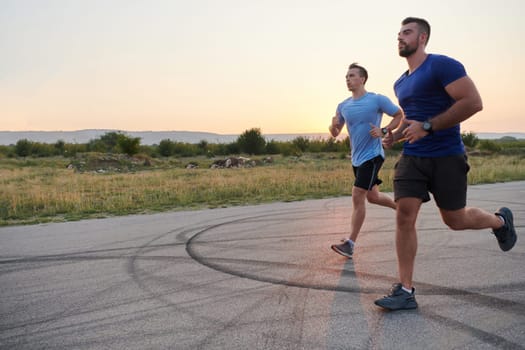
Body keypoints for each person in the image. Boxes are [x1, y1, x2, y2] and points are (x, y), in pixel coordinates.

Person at [374, 17, 517, 311]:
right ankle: (405, 290)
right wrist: (396, 135)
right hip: (413, 158)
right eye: (398, 33)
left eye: (407, 32)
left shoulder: (442, 65)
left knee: (455, 219)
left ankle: (500, 222)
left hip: (447, 155)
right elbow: (411, 115)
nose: (400, 37)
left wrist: (428, 126)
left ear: (422, 37)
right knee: (404, 214)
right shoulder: (401, 82)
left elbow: (473, 102)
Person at [329, 62, 403, 259]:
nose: (348, 79)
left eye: (352, 76)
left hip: (373, 155)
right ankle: (402, 208)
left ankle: (350, 244)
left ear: (362, 79)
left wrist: (385, 130)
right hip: (356, 158)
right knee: (373, 197)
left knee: (357, 194)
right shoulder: (343, 106)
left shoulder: (376, 99)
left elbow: (399, 115)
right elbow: (335, 133)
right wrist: (333, 125)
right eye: (346, 76)